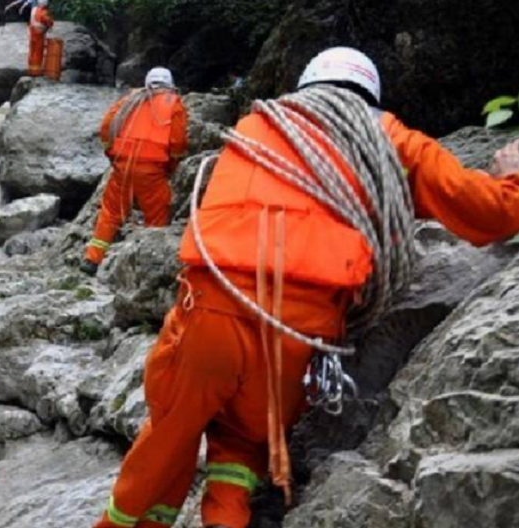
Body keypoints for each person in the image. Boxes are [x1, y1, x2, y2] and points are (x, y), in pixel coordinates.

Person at [91, 47, 519, 528]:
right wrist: (511, 178)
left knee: (172, 433)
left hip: (212, 310)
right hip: (301, 333)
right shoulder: (389, 141)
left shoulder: (256, 127)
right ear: (370, 93)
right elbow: (488, 214)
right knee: (243, 444)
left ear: (307, 85)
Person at [82, 68, 189, 276]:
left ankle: (92, 259)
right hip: (152, 170)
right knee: (157, 217)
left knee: (111, 212)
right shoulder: (173, 103)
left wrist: (111, 154)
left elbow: (106, 126)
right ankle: (149, 265)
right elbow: (177, 142)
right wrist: (172, 167)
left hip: (122, 165)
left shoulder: (132, 99)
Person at [28, 0, 54, 77]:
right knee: (38, 53)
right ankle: (36, 72)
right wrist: (49, 25)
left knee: (32, 52)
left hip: (32, 35)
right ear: (45, 4)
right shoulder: (43, 12)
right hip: (39, 36)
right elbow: (49, 21)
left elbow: (32, 22)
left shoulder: (34, 10)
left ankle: (30, 70)